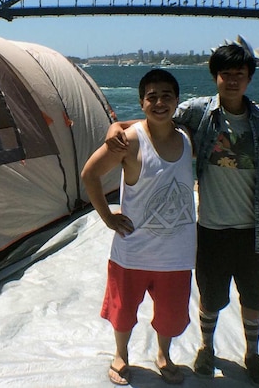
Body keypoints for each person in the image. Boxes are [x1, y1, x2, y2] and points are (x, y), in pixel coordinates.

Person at [106, 37, 259, 387]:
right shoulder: (199, 112)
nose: (233, 80)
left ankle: (252, 353)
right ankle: (206, 348)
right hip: (211, 226)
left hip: (254, 228)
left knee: (255, 296)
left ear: (249, 77)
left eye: (240, 74)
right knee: (211, 294)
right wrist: (117, 127)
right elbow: (155, 118)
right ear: (215, 77)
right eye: (225, 73)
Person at [81, 68, 196, 386]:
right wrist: (107, 217)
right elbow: (90, 174)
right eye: (152, 96)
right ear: (142, 102)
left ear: (177, 101)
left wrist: (118, 122)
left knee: (171, 316)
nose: (159, 102)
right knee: (123, 311)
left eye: (166, 96)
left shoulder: (188, 139)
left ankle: (163, 354)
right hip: (133, 251)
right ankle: (121, 354)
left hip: (177, 254)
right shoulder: (129, 141)